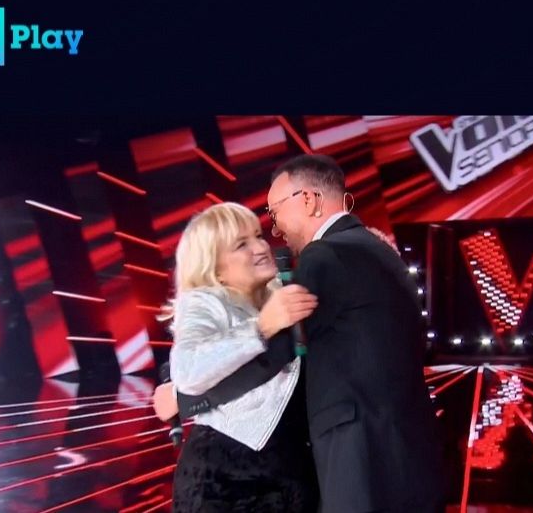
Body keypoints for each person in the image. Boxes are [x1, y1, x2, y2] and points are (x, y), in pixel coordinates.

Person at [161, 154, 446, 513]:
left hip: (346, 460)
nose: (271, 237)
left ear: (308, 200)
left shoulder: (323, 256)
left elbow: (280, 356)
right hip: (233, 479)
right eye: (242, 243)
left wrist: (184, 400)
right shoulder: (376, 252)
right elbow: (196, 362)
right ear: (213, 265)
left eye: (271, 218)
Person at [165, 202, 319, 512]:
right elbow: (187, 370)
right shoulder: (203, 303)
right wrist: (261, 328)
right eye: (241, 244)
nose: (261, 248)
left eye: (258, 236)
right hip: (223, 482)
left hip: (290, 476)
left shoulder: (283, 292)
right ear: (215, 268)